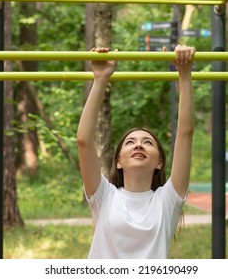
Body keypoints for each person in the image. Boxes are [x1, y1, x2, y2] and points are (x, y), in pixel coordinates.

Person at [77, 44, 195, 259]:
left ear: (159, 162)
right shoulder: (104, 196)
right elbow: (84, 140)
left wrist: (184, 73)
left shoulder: (167, 200)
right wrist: (100, 79)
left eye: (148, 143)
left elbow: (185, 133)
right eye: (130, 142)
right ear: (119, 161)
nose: (139, 145)